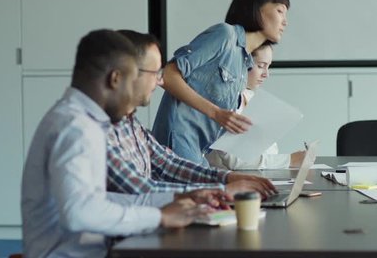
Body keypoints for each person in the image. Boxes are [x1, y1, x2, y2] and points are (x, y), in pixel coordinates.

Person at [21, 29, 225, 258]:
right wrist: (160, 216)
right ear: (115, 79)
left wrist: (178, 198)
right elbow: (79, 212)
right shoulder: (75, 127)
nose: (132, 99)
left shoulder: (85, 121)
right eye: (130, 82)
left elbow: (98, 200)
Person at [106, 30, 277, 196]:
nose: (160, 80)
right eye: (153, 73)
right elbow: (142, 191)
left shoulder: (131, 125)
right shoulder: (98, 132)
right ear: (116, 78)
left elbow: (168, 164)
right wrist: (221, 189)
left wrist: (228, 178)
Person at [152, 0, 290, 166]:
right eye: (280, 11)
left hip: (198, 150)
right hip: (178, 143)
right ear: (257, 9)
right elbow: (168, 75)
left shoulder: (244, 63)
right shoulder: (225, 35)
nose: (285, 21)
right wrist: (216, 113)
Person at [206, 43, 306, 169]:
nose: (266, 74)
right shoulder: (221, 102)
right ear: (241, 64)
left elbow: (270, 150)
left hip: (248, 177)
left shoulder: (250, 96)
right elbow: (235, 161)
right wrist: (289, 160)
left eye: (268, 67)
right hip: (222, 181)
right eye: (260, 66)